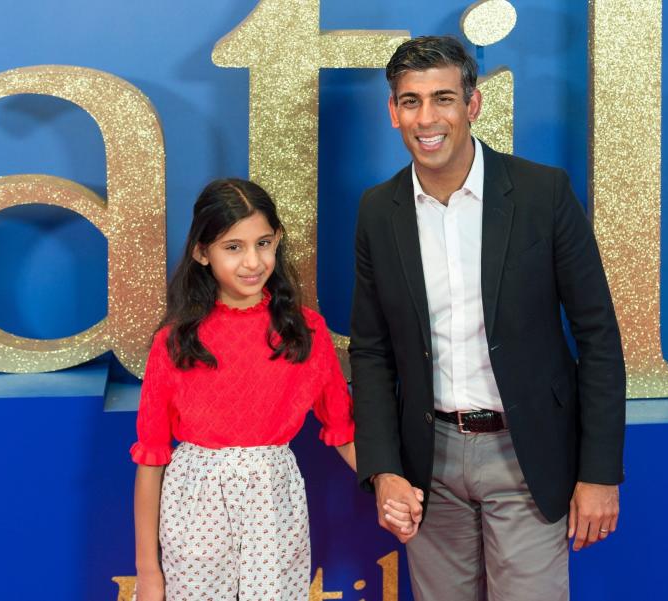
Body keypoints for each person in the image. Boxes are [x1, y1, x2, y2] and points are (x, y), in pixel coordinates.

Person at [350, 36, 626, 600]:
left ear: (472, 105)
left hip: (527, 456)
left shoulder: (541, 193)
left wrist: (599, 472)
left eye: (443, 98)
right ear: (392, 111)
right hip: (429, 463)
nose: (426, 118)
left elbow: (597, 334)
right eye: (410, 101)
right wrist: (384, 469)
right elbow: (372, 351)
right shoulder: (379, 210)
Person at [130, 178, 371, 601]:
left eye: (263, 243)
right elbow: (151, 459)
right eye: (233, 247)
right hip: (194, 505)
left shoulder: (305, 330)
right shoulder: (174, 342)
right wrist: (148, 571)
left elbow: (343, 430)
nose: (253, 262)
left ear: (277, 240)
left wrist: (391, 484)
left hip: (273, 502)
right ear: (202, 252)